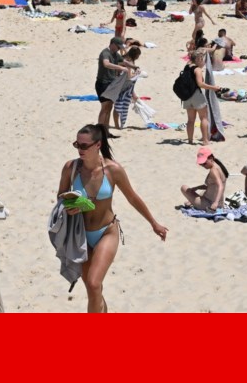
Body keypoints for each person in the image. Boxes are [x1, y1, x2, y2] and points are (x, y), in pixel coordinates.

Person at [57, 124, 167, 313]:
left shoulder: (113, 170)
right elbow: (61, 196)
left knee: (93, 283)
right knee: (94, 290)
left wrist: (153, 223)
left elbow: (132, 197)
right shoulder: (71, 168)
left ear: (98, 145)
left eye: (84, 146)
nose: (79, 150)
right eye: (77, 144)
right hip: (80, 235)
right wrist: (69, 207)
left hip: (106, 231)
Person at [182, 49, 227, 146]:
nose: (203, 62)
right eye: (202, 59)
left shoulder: (186, 67)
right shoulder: (197, 70)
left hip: (186, 97)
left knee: (190, 120)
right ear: (198, 59)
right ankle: (205, 141)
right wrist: (214, 88)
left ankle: (190, 140)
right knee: (204, 118)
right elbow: (200, 84)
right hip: (197, 96)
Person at [95, 36, 128, 127]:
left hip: (111, 84)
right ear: (112, 44)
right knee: (105, 107)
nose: (118, 49)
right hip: (103, 83)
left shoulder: (115, 54)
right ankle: (100, 129)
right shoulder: (105, 53)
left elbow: (124, 61)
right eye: (118, 47)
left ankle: (106, 129)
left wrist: (134, 67)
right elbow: (106, 64)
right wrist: (120, 67)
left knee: (109, 107)